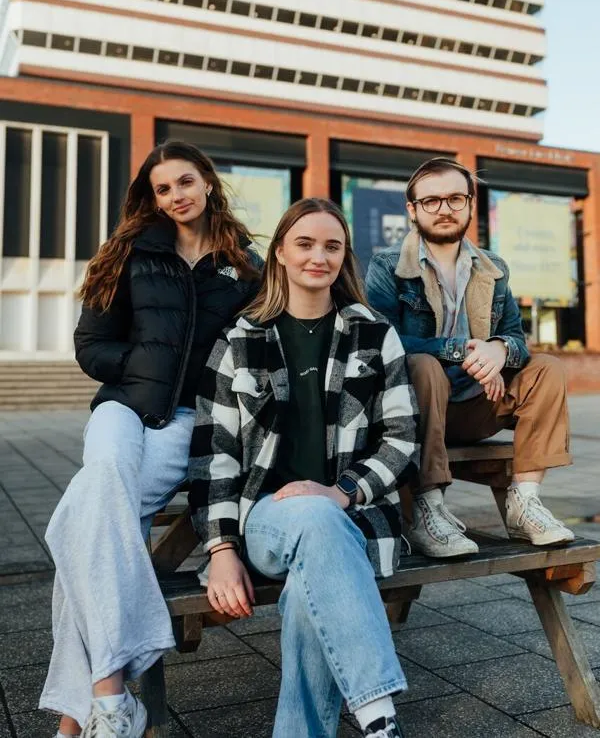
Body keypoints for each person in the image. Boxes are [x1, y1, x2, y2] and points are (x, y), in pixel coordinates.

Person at [40, 140, 262, 738]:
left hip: (186, 420)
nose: (176, 196)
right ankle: (110, 700)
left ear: (208, 182)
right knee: (105, 489)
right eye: (163, 189)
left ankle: (86, 712)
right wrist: (140, 366)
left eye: (185, 182)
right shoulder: (132, 253)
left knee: (90, 519)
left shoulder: (242, 269)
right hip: (121, 407)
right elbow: (90, 345)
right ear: (153, 197)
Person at [188, 198, 420, 738]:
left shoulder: (373, 333)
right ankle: (378, 713)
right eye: (306, 243)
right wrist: (221, 551)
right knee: (313, 520)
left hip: (352, 516)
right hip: (266, 519)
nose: (319, 256)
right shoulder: (240, 340)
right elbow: (214, 455)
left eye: (332, 246)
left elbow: (402, 437)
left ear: (345, 258)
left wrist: (343, 491)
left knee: (308, 587)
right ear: (280, 255)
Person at [365, 157, 574, 558]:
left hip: (478, 406)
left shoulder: (493, 268)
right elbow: (381, 341)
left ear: (470, 204)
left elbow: (516, 338)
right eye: (431, 201)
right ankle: (428, 507)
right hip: (417, 412)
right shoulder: (388, 266)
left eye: (455, 198)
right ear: (412, 210)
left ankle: (525, 503)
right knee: (423, 365)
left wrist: (498, 349)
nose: (444, 208)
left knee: (547, 368)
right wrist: (460, 351)